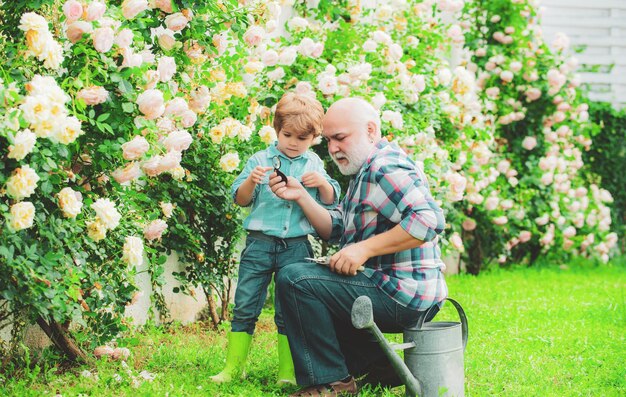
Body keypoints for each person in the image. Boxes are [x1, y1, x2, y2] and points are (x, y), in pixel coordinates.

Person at [269, 97, 448, 396]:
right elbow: (337, 227)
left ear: (370, 130)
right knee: (313, 284)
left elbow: (428, 221)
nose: (333, 148)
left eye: (340, 138)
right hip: (391, 288)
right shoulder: (363, 170)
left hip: (403, 293)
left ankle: (332, 382)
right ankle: (383, 368)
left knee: (295, 278)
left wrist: (363, 250)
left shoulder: (384, 167)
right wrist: (301, 196)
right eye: (328, 140)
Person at [210, 92, 341, 386]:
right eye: (288, 135)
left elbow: (332, 201)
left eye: (303, 138)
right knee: (245, 304)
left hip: (296, 246)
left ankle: (288, 372)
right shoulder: (260, 160)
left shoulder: (314, 165)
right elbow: (241, 200)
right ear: (276, 128)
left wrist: (322, 183)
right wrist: (250, 181)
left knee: (289, 309)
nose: (294, 142)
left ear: (314, 138)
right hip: (259, 244)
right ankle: (234, 367)